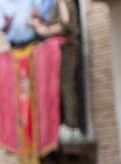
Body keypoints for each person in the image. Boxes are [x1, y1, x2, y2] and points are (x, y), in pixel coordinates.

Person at [30, 0, 83, 140]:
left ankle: (72, 126)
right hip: (56, 51)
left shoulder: (64, 2)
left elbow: (65, 25)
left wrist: (44, 30)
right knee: (58, 88)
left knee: (67, 86)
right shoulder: (54, 5)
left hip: (67, 49)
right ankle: (62, 125)